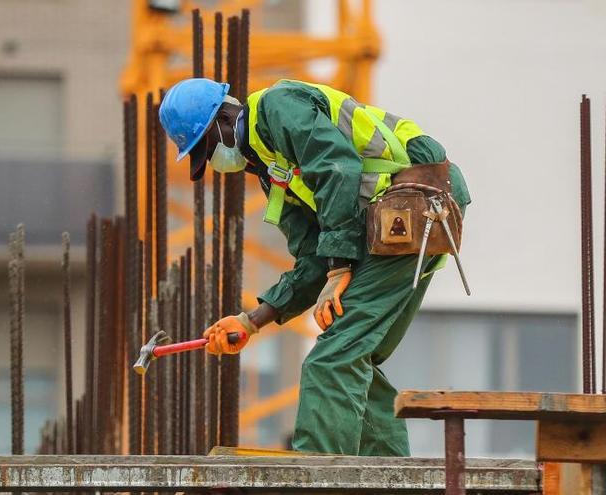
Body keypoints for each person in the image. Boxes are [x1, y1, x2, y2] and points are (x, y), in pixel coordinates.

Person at [158, 78, 471, 456]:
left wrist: (340, 269)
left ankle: (319, 479)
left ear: (225, 118)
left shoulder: (277, 107)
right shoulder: (273, 173)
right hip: (395, 216)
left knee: (332, 360)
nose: (213, 161)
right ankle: (393, 479)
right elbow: (312, 258)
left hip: (418, 195)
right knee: (354, 357)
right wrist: (252, 319)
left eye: (207, 148)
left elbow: (337, 168)